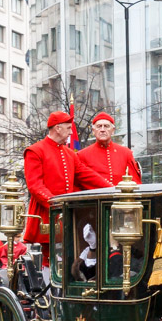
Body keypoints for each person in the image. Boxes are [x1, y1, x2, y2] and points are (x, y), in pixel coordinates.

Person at [24, 111, 113, 265]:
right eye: (68, 128)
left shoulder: (69, 153)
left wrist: (112, 188)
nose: (71, 132)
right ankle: (50, 286)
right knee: (49, 257)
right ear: (57, 128)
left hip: (67, 212)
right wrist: (55, 203)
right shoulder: (35, 151)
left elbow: (86, 175)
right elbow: (35, 185)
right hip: (47, 212)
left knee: (70, 252)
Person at [78, 112, 142, 186]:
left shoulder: (126, 153)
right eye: (99, 126)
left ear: (113, 130)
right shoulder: (82, 155)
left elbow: (135, 182)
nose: (102, 129)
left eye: (106, 126)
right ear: (93, 131)